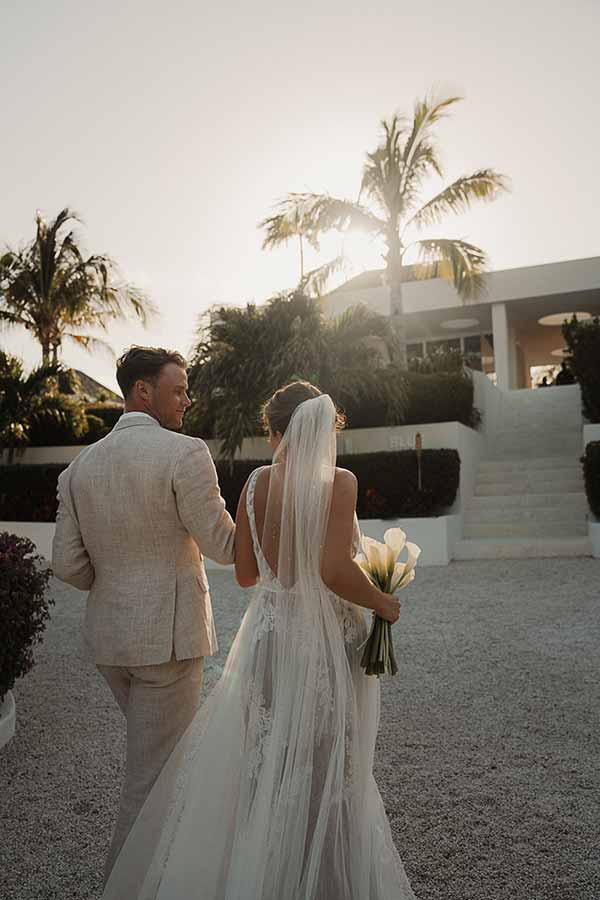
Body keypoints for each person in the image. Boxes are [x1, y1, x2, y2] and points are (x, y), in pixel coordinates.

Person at [101, 380, 417, 900]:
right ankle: (320, 876)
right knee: (329, 763)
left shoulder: (254, 484)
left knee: (267, 758)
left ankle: (263, 871)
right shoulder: (340, 482)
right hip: (324, 638)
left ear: (275, 432)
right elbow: (334, 570)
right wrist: (382, 602)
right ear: (321, 428)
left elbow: (246, 575)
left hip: (267, 636)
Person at [51, 346, 236, 884]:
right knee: (151, 782)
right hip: (168, 644)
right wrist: (273, 513)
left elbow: (67, 564)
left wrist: (115, 581)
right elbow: (224, 546)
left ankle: (169, 877)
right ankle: (126, 887)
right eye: (179, 390)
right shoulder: (185, 453)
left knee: (159, 767)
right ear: (143, 391)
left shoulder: (78, 469)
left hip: (111, 644)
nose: (187, 400)